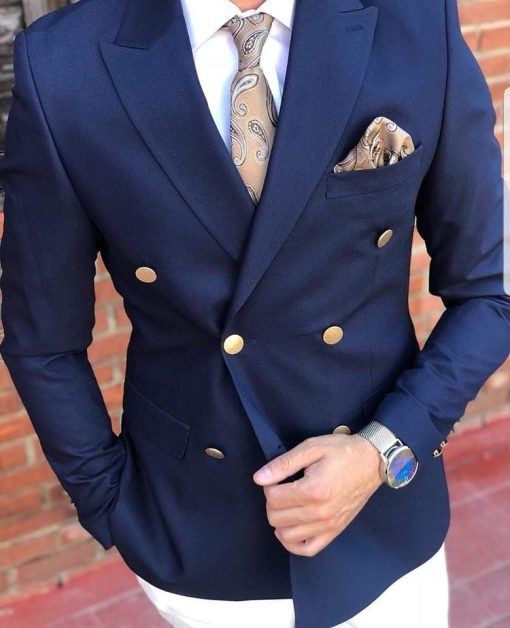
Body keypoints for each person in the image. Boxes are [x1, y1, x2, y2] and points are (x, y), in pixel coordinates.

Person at [0, 0, 508, 626]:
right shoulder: (63, 62)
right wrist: (107, 501)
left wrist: (386, 449)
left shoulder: (416, 20)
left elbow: (491, 289)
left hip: (384, 520)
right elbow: (42, 339)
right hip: (197, 534)